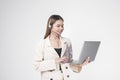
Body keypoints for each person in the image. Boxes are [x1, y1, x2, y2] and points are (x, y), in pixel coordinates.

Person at [33, 14, 90, 80]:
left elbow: (69, 62)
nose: (61, 28)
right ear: (50, 26)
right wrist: (55, 61)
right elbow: (36, 66)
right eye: (58, 26)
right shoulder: (42, 44)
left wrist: (81, 64)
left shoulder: (67, 41)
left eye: (62, 26)